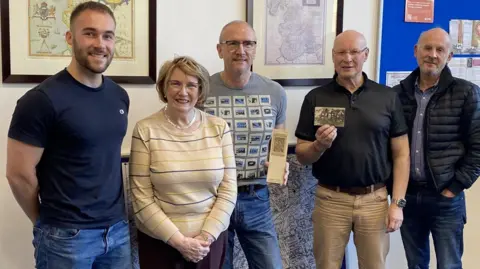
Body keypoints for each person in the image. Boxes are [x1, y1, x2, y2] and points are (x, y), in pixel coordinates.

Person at [6, 2, 131, 268]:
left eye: (108, 35)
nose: (100, 43)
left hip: (117, 231)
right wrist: (45, 222)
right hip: (66, 237)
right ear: (69, 38)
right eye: (90, 33)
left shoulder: (119, 96)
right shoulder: (41, 100)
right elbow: (18, 174)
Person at [295, 30, 410, 269]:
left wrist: (397, 204)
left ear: (365, 55)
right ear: (333, 56)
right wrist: (319, 145)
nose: (347, 58)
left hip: (375, 200)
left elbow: (402, 154)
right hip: (330, 200)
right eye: (341, 52)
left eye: (354, 52)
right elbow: (302, 155)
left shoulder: (387, 97)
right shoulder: (315, 98)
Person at [129, 56, 237, 269]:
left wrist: (205, 237)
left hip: (208, 242)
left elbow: (228, 190)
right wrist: (180, 242)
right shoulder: (145, 129)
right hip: (160, 242)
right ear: (164, 87)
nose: (183, 92)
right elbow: (141, 197)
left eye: (191, 85)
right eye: (175, 83)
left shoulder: (219, 128)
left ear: (201, 90)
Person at [393, 27, 480, 269]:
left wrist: (455, 186)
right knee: (416, 264)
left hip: (446, 200)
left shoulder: (467, 93)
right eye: (427, 48)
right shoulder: (397, 95)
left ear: (449, 56)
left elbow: (478, 148)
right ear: (416, 51)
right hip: (408, 198)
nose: (432, 54)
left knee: (449, 265)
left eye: (440, 49)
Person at [208, 20, 289, 269]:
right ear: (219, 49)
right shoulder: (201, 89)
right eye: (232, 43)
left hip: (256, 197)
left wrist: (280, 166)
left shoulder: (275, 91)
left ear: (255, 49)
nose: (240, 50)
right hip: (213, 199)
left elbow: (279, 143)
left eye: (248, 43)